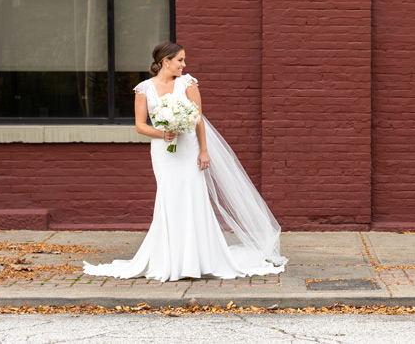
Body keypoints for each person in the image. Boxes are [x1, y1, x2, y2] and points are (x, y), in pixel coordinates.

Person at [83, 41, 287, 281]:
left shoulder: (188, 83)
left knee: (193, 197)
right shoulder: (143, 89)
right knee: (169, 198)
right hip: (163, 152)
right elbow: (140, 126)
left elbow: (198, 119)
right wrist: (163, 134)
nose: (184, 64)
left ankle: (199, 259)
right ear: (165, 61)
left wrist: (204, 150)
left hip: (189, 149)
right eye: (180, 60)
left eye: (184, 60)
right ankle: (170, 259)